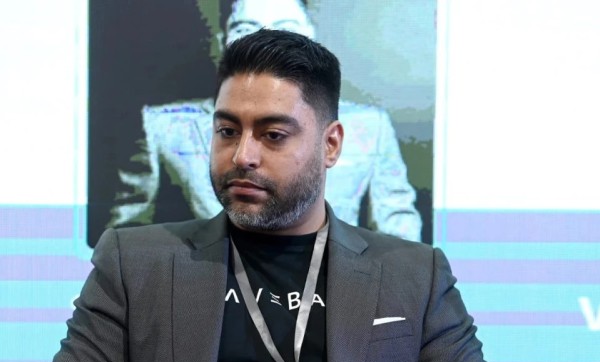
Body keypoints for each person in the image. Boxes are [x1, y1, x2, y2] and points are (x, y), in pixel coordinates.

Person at [22, 30, 525, 362]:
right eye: (227, 131)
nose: (243, 155)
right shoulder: (136, 263)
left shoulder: (413, 274)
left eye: (273, 135)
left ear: (331, 145)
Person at [110, 0, 423, 242]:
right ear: (221, 41)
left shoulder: (370, 127)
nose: (268, 42)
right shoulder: (163, 128)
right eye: (246, 27)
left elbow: (400, 238)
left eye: (286, 27)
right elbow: (125, 239)